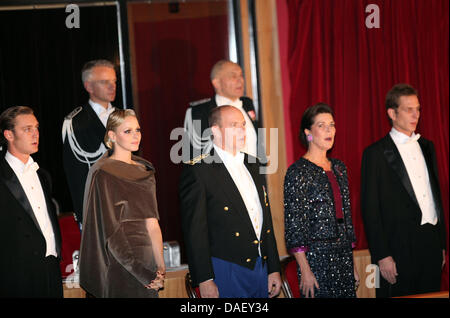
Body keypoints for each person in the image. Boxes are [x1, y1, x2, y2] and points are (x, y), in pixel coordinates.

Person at [179, 105, 281, 298]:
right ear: (215, 131)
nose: (242, 130)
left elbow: (264, 220)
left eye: (243, 124)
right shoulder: (200, 170)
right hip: (226, 267)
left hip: (260, 264)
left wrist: (273, 268)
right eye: (234, 125)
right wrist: (205, 279)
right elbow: (195, 231)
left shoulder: (253, 163)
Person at [361, 83, 446, 298]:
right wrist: (382, 255)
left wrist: (441, 245)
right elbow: (370, 210)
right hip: (397, 249)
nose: (415, 114)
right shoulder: (375, 153)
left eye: (417, 109)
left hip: (430, 244)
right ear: (392, 113)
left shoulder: (428, 146)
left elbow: (435, 198)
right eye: (409, 109)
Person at [79, 109, 165, 298]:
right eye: (128, 131)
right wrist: (143, 273)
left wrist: (160, 267)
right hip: (121, 265)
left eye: (138, 130)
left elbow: (152, 224)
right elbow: (112, 233)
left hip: (148, 262)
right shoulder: (104, 173)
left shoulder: (145, 170)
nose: (136, 136)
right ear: (112, 135)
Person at [284, 103, 359, 298]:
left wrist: (353, 264)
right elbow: (295, 226)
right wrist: (305, 270)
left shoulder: (339, 168)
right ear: (308, 133)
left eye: (332, 124)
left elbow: (347, 219)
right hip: (316, 259)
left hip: (343, 256)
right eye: (321, 125)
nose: (329, 130)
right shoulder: (297, 172)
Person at [0, 106, 62, 297]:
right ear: (9, 135)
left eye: (36, 128)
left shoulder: (42, 175)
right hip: (16, 274)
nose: (35, 134)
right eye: (27, 129)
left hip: (50, 267)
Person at [62, 59, 117, 227]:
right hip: (96, 207)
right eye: (104, 82)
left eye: (114, 81)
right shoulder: (75, 122)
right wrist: (84, 213)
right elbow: (75, 172)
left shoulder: (125, 117)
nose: (112, 86)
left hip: (124, 204)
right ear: (89, 87)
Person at [183, 60, 259, 159]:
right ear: (217, 83)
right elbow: (193, 155)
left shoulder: (247, 103)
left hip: (251, 172)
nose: (240, 80)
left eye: (241, 75)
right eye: (233, 76)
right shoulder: (199, 112)